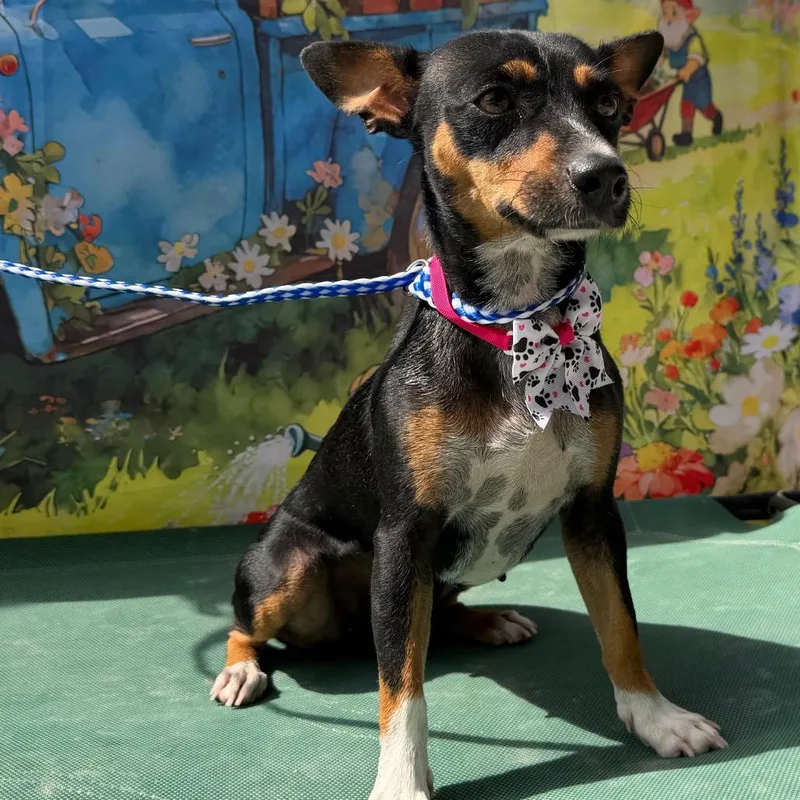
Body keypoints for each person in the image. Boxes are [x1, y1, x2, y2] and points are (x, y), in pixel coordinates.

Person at [659, 0, 724, 146]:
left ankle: (716, 116)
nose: (668, 18)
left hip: (700, 80)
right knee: (686, 106)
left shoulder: (692, 38)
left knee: (704, 107)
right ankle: (686, 134)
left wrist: (687, 70)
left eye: (673, 12)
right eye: (665, 12)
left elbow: (696, 58)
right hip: (687, 82)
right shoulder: (671, 40)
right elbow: (663, 55)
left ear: (688, 16)